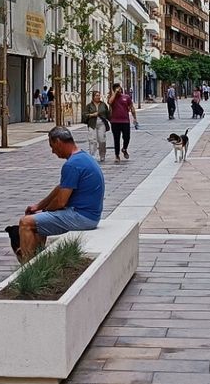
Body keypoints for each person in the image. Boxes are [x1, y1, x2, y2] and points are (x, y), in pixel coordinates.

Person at [10, 126, 105, 260]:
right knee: (40, 221)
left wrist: (46, 211)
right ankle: (38, 261)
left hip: (82, 217)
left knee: (26, 222)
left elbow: (61, 202)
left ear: (58, 142)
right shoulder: (82, 157)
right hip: (90, 215)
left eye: (52, 146)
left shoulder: (72, 165)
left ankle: (28, 268)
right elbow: (60, 188)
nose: (53, 151)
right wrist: (39, 206)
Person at [108, 83, 136, 162]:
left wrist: (135, 118)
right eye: (117, 89)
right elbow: (110, 102)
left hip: (125, 121)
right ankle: (117, 155)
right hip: (115, 122)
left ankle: (124, 149)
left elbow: (131, 107)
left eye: (120, 89)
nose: (119, 90)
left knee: (127, 137)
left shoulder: (126, 97)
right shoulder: (112, 98)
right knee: (116, 139)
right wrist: (114, 94)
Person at [81, 89, 111, 162]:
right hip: (92, 124)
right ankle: (92, 156)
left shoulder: (103, 105)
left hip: (101, 124)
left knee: (102, 140)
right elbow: (84, 115)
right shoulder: (89, 106)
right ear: (93, 97)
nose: (98, 97)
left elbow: (108, 114)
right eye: (96, 95)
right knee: (92, 140)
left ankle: (102, 155)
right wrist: (92, 115)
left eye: (99, 95)